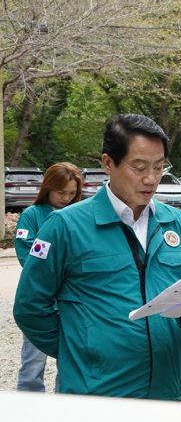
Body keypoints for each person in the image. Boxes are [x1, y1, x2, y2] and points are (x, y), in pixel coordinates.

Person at [13, 114, 181, 400]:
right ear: (108, 163)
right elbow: (29, 307)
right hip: (96, 393)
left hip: (166, 390)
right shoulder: (65, 226)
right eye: (139, 167)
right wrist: (80, 350)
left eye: (159, 167)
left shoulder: (175, 223)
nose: (151, 179)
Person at [13, 162, 83, 392]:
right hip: (41, 300)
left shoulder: (77, 215)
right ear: (48, 187)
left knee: (70, 358)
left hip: (71, 300)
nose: (66, 198)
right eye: (61, 192)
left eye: (72, 193)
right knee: (33, 361)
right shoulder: (32, 215)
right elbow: (28, 257)